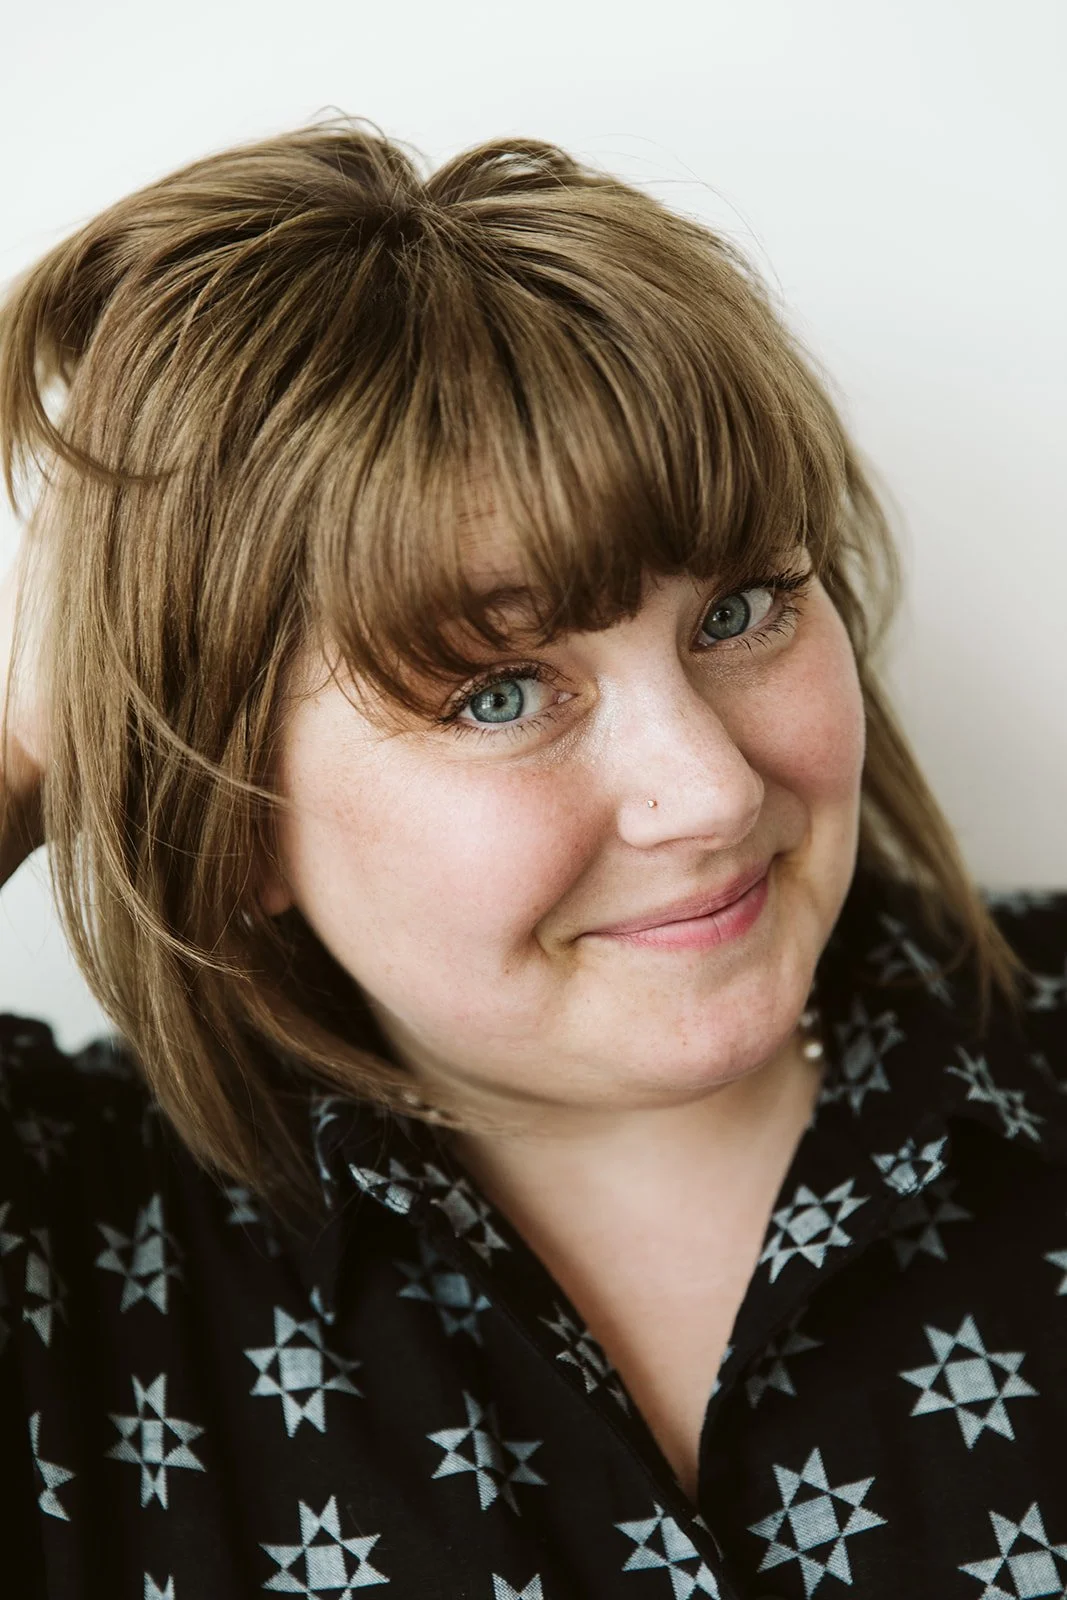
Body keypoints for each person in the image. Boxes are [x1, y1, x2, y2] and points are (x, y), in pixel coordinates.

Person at [0, 118, 1064, 1600]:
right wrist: (56, 725)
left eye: (743, 609)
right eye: (498, 693)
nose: (703, 790)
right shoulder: (71, 1264)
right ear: (234, 818)